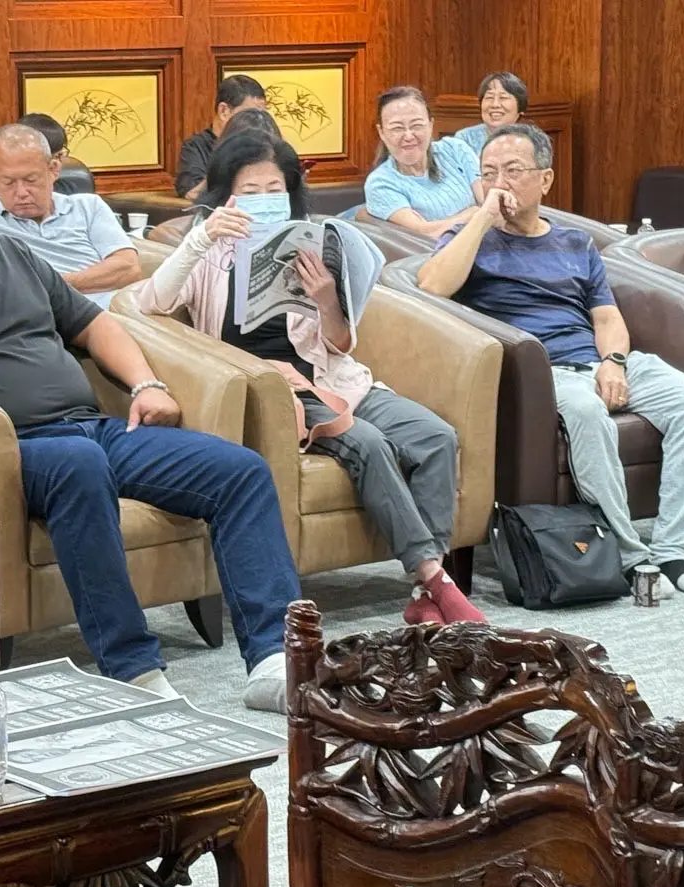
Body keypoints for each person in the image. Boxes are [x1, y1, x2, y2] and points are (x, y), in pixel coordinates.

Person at [0, 125, 299, 711]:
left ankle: (273, 659)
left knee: (239, 471)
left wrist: (145, 383)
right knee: (78, 461)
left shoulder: (11, 255)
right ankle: (133, 668)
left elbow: (93, 324)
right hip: (15, 452)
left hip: (93, 428)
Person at [141, 132, 484, 625]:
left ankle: (422, 597)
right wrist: (202, 237)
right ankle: (435, 579)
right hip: (274, 390)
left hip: (333, 378)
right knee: (367, 443)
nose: (263, 200)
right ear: (226, 195)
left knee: (436, 436)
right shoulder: (209, 250)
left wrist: (326, 298)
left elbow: (340, 344)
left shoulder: (311, 243)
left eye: (274, 190)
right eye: (250, 191)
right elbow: (151, 302)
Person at [419, 124, 684, 597]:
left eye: (512, 171)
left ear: (546, 179)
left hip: (596, 358)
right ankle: (631, 556)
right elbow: (432, 286)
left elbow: (607, 317)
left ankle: (674, 551)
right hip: (540, 371)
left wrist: (614, 362)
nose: (500, 182)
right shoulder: (469, 239)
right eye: (489, 173)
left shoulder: (576, 243)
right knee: (586, 412)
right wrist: (482, 219)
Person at [0, 123, 141, 309]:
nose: (21, 192)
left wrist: (53, 285)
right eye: (8, 182)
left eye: (31, 180)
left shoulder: (88, 207)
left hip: (120, 310)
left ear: (54, 169)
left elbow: (129, 268)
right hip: (50, 317)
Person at [364, 86, 484, 240]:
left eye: (416, 125)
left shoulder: (455, 149)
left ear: (430, 125)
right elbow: (426, 233)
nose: (408, 136)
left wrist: (478, 213)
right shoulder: (379, 183)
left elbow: (488, 202)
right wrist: (472, 212)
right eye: (397, 128)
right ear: (382, 132)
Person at [175, 75, 268, 200]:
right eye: (249, 114)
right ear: (224, 111)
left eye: (262, 115)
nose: (257, 121)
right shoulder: (196, 146)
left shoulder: (266, 144)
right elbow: (192, 192)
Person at [453, 71, 529, 155]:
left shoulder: (532, 141)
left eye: (503, 97)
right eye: (489, 97)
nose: (495, 104)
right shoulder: (465, 139)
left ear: (520, 107)